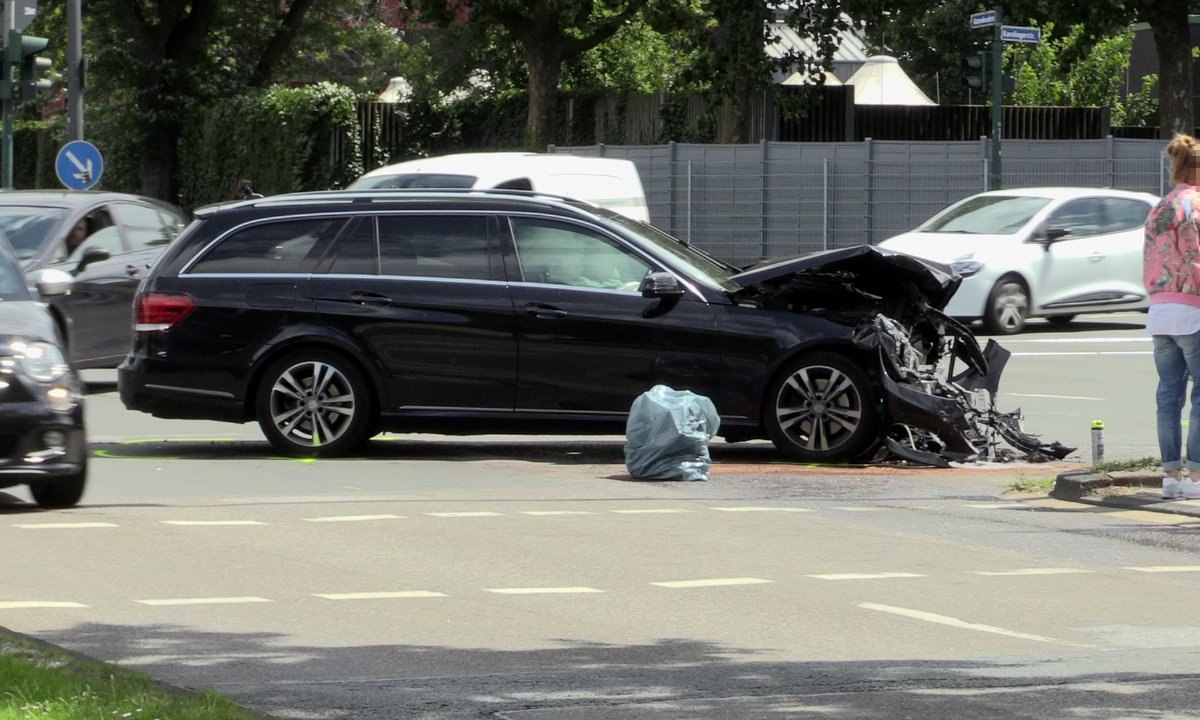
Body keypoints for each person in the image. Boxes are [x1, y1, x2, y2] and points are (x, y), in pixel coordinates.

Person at [1144, 133, 1200, 499]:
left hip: (1160, 310)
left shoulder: (1160, 207)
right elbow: (1196, 258)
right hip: (1191, 310)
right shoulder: (1194, 205)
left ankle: (1170, 476)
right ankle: (1196, 477)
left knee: (1168, 395)